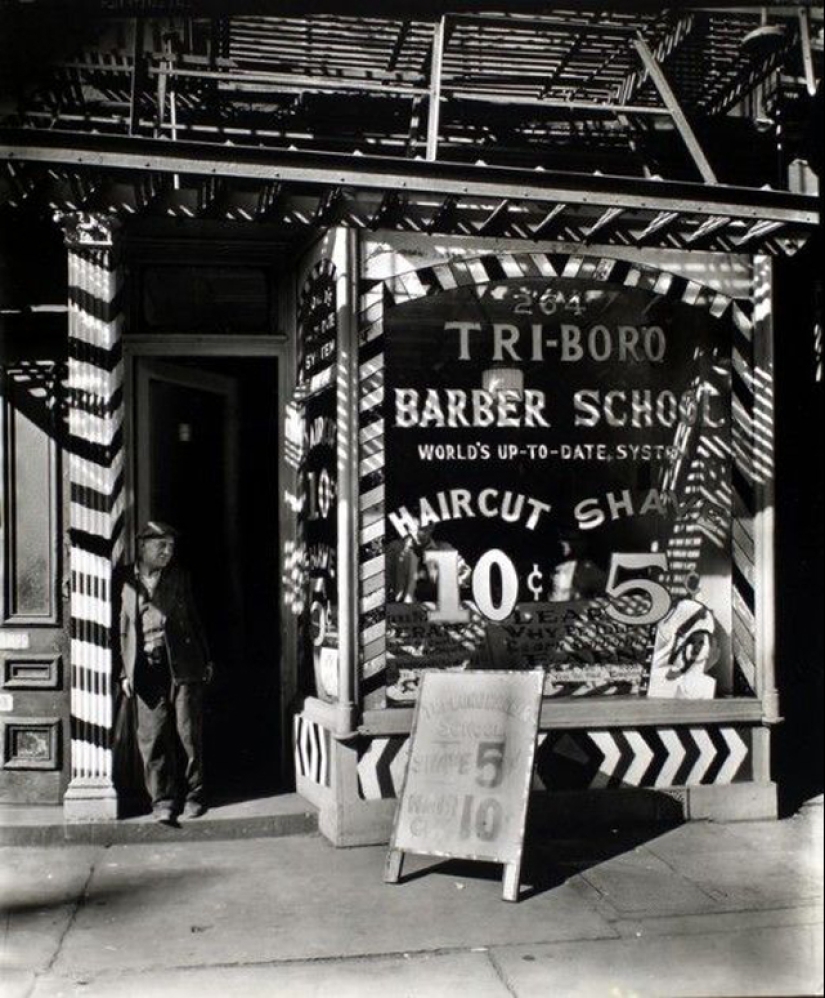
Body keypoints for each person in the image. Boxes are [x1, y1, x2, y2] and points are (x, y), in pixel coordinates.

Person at [115, 521, 213, 823]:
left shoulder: (179, 576)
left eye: (171, 546)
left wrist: (206, 659)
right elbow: (115, 630)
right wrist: (123, 672)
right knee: (152, 736)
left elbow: (195, 618)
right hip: (144, 668)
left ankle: (194, 795)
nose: (168, 551)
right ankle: (163, 800)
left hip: (183, 663)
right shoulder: (122, 579)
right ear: (142, 546)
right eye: (161, 545)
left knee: (187, 734)